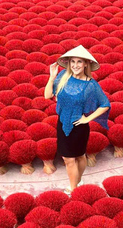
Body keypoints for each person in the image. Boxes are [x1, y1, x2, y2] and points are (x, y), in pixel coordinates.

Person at [44, 45, 111, 194]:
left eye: (79, 62)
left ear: (86, 64)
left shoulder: (90, 85)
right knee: (72, 158)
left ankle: (74, 189)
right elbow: (47, 95)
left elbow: (105, 104)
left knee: (77, 157)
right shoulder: (63, 76)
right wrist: (52, 77)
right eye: (72, 61)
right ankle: (77, 183)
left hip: (79, 127)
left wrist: (88, 119)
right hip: (62, 124)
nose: (75, 65)